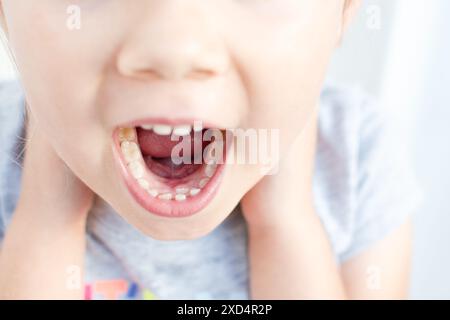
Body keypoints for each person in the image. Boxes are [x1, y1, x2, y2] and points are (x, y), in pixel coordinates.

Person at [0, 0, 422, 299]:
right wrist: (46, 219)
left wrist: (286, 224)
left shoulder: (359, 164)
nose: (173, 51)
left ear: (343, 11)